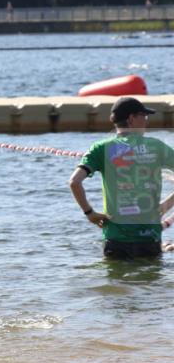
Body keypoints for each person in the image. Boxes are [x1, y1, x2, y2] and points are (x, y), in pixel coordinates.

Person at [69, 97, 174, 259]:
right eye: (144, 116)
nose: (146, 121)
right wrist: (164, 206)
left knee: (116, 274)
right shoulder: (156, 146)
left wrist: (89, 213)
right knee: (150, 275)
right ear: (131, 119)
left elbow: (74, 182)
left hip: (115, 238)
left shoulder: (100, 148)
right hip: (149, 237)